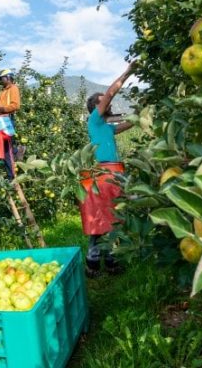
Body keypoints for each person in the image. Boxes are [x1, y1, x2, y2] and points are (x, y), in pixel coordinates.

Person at [81, 61, 136, 277]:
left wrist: (140, 115)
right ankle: (92, 264)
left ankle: (111, 261)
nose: (106, 102)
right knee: (98, 220)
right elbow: (111, 94)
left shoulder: (106, 127)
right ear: (95, 107)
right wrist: (127, 73)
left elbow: (126, 125)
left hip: (112, 174)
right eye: (101, 101)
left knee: (113, 218)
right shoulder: (94, 120)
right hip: (100, 175)